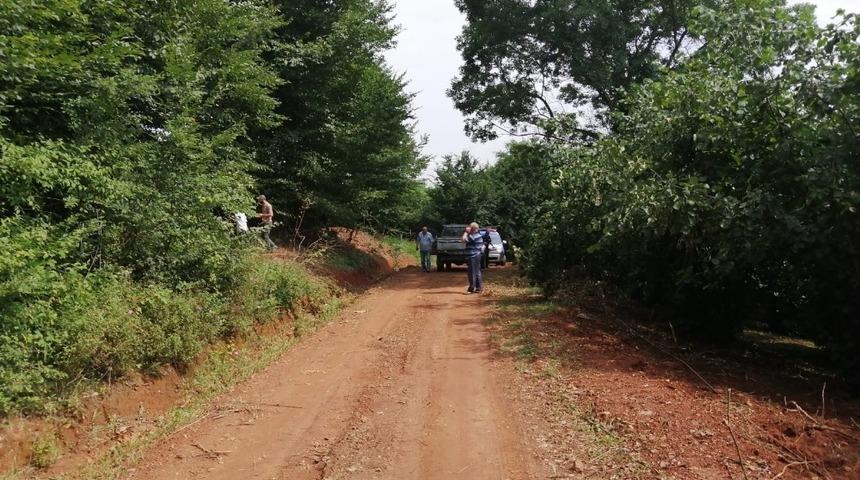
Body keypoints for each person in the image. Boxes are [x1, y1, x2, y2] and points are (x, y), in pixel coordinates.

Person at [461, 222, 493, 294]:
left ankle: (472, 288)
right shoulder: (478, 235)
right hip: (477, 255)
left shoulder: (474, 236)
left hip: (473, 255)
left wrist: (466, 232)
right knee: (477, 271)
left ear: (473, 229)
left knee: (471, 272)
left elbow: (463, 240)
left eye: (470, 228)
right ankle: (479, 288)